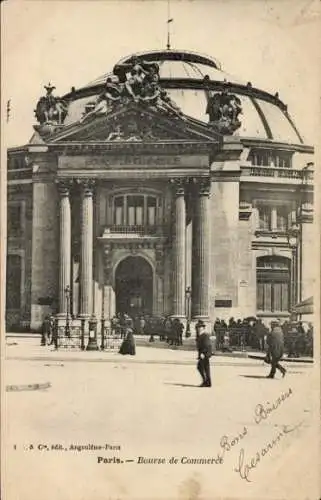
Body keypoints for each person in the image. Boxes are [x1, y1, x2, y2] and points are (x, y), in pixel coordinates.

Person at [196, 321, 213, 387]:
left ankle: (206, 381)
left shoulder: (204, 335)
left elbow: (207, 345)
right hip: (204, 353)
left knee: (200, 367)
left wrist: (203, 353)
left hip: (204, 354)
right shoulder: (201, 335)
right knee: (205, 368)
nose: (198, 328)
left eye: (200, 327)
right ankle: (207, 382)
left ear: (203, 328)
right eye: (198, 327)